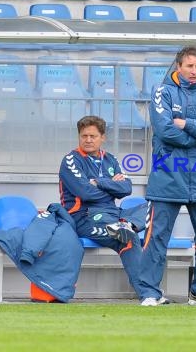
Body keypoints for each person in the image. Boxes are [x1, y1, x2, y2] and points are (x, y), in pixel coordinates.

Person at [138, 46, 196, 306]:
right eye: (189, 65)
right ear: (179, 66)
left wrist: (187, 124)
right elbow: (165, 130)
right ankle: (149, 292)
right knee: (157, 237)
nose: (193, 71)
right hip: (168, 174)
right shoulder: (163, 92)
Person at [59, 115, 145, 298]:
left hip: (113, 213)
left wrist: (98, 182)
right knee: (128, 238)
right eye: (84, 136)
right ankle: (147, 292)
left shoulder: (111, 159)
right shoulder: (70, 160)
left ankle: (127, 224)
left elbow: (127, 188)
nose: (88, 140)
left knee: (153, 207)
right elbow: (85, 193)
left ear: (102, 137)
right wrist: (112, 187)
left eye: (93, 136)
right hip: (84, 217)